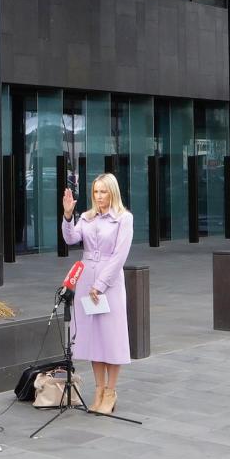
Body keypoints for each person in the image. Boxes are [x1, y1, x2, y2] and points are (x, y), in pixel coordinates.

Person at [60, 173, 134, 415]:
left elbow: (119, 256)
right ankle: (99, 390)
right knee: (94, 338)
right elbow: (70, 238)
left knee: (110, 337)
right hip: (86, 280)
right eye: (95, 192)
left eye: (103, 191)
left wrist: (101, 284)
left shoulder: (124, 219)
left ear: (112, 192)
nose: (99, 196)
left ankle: (111, 391)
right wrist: (68, 215)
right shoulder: (87, 217)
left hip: (108, 284)